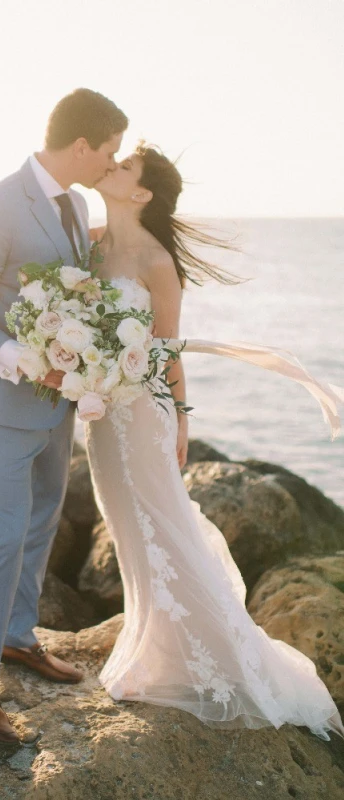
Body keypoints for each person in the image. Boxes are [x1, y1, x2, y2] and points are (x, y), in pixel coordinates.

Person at [86, 142, 344, 740]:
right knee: (127, 527)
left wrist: (179, 419)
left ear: (141, 192)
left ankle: (211, 657)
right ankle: (154, 645)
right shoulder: (89, 242)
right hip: (101, 414)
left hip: (141, 413)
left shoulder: (156, 263)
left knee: (161, 523)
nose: (114, 166)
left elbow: (169, 348)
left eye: (125, 166)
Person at [0, 88, 128, 746]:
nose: (112, 163)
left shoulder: (75, 204)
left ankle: (18, 638)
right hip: (2, 403)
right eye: (108, 152)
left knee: (43, 521)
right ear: (81, 145)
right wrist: (16, 356)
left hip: (58, 403)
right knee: (1, 535)